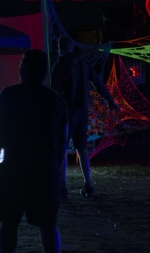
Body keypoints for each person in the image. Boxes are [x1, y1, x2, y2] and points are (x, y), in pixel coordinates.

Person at [0, 49, 68, 253]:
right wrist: (59, 175)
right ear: (45, 73)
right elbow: (62, 142)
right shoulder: (55, 100)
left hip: (13, 168)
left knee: (9, 223)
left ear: (23, 70)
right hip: (45, 170)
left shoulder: (10, 94)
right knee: (48, 225)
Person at [51, 36, 120, 198]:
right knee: (81, 148)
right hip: (82, 111)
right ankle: (88, 185)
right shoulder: (83, 63)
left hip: (67, 112)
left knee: (62, 149)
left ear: (60, 49)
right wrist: (110, 101)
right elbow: (98, 83)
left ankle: (62, 187)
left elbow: (55, 92)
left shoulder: (60, 65)